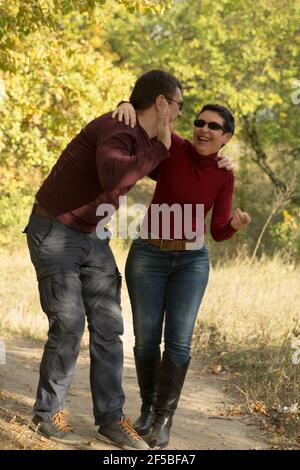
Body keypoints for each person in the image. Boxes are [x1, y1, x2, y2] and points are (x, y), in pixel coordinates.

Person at [23, 70, 185, 450]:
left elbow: (186, 160)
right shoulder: (118, 127)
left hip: (93, 235)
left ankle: (111, 419)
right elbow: (114, 175)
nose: (179, 114)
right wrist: (160, 145)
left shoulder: (144, 132)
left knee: (109, 325)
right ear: (161, 102)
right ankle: (47, 414)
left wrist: (219, 164)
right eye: (178, 105)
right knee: (69, 322)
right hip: (55, 229)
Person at [113, 101, 251, 448]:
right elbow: (142, 129)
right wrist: (127, 104)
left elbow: (217, 230)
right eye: (200, 122)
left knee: (178, 341)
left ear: (226, 137)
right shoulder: (172, 148)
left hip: (191, 262)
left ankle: (163, 418)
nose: (204, 129)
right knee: (145, 341)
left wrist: (233, 225)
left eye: (214, 126)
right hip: (147, 255)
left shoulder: (224, 173)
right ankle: (147, 409)